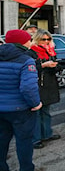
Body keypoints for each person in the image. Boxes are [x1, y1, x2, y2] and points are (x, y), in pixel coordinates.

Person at [0, 29, 42, 171]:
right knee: (24, 142)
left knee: (2, 141)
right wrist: (36, 103)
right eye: (29, 40)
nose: (31, 42)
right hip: (21, 110)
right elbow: (28, 88)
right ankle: (26, 169)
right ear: (23, 42)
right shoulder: (26, 60)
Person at [30, 29, 61, 149]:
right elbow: (30, 68)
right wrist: (43, 65)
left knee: (46, 112)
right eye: (44, 39)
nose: (46, 42)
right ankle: (36, 139)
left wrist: (54, 65)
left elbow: (56, 69)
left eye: (48, 39)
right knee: (36, 114)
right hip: (37, 84)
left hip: (49, 84)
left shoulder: (50, 51)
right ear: (37, 39)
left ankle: (47, 134)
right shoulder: (31, 52)